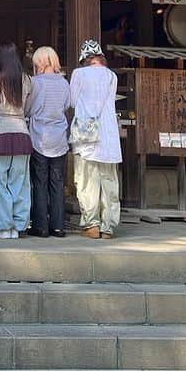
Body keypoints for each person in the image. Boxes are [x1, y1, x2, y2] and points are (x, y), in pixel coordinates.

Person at [68, 39, 123, 239]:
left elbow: (73, 101)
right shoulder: (111, 76)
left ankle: (91, 225)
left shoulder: (79, 74)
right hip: (108, 136)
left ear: (84, 59)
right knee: (109, 181)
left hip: (86, 135)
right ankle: (108, 226)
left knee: (86, 181)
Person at [0, 41, 33, 239]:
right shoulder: (27, 80)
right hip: (21, 132)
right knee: (20, 183)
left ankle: (3, 226)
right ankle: (19, 225)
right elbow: (28, 108)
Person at [25, 46, 70, 238]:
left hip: (39, 136)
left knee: (39, 181)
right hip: (59, 137)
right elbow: (67, 105)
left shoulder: (35, 83)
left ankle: (41, 225)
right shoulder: (64, 83)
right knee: (57, 183)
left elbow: (28, 108)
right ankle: (58, 226)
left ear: (40, 62)